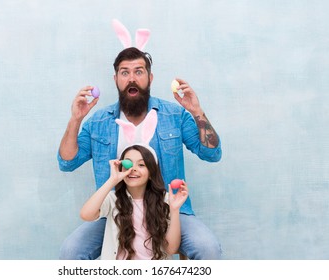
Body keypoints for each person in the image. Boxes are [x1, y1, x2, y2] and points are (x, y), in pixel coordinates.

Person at [58, 47, 222, 260]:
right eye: (125, 72)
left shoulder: (174, 115)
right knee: (71, 251)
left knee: (207, 248)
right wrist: (76, 119)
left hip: (168, 209)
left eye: (139, 71)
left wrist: (197, 111)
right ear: (116, 79)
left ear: (150, 77)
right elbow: (67, 162)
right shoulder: (99, 122)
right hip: (115, 212)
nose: (132, 78)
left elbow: (212, 154)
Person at [80, 144, 189, 260]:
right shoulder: (113, 199)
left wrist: (174, 209)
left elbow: (171, 249)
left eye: (141, 165)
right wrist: (113, 180)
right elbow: (86, 215)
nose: (133, 169)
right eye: (128, 164)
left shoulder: (166, 200)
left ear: (151, 173)